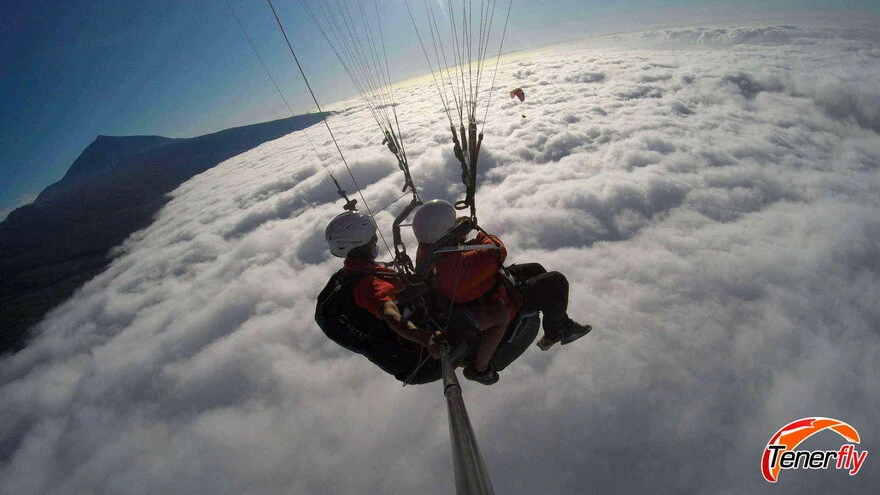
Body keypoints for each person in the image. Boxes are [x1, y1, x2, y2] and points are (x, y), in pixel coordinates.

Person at [412, 200, 592, 384]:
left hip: (474, 291)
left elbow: (452, 245)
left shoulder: (428, 251)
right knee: (555, 282)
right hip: (497, 300)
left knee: (535, 269)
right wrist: (482, 235)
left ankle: (556, 325)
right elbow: (497, 251)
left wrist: (457, 229)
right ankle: (558, 330)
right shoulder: (456, 270)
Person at [316, 211, 445, 384]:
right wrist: (426, 338)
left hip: (404, 360)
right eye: (373, 238)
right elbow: (390, 316)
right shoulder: (370, 285)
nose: (376, 241)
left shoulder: (349, 273)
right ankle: (481, 369)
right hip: (422, 362)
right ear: (362, 244)